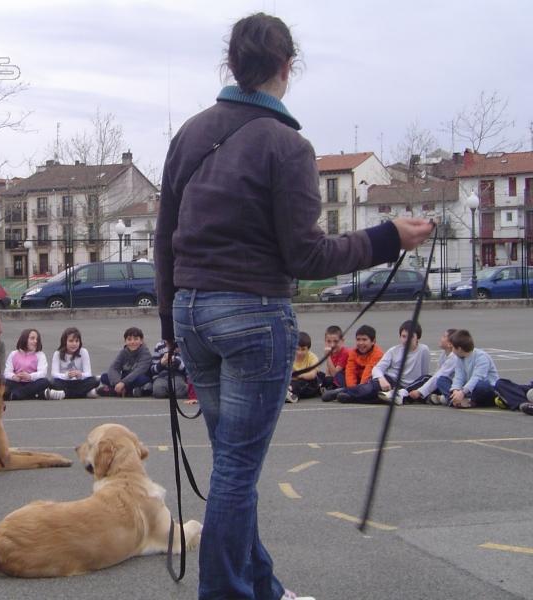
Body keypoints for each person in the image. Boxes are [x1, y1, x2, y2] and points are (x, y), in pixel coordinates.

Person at [154, 13, 433, 600]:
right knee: (236, 470)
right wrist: (388, 237)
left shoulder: (190, 134)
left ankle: (264, 589)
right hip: (252, 315)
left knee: (234, 466)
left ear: (230, 65)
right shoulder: (287, 145)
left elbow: (163, 240)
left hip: (190, 313)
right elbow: (306, 255)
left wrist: (171, 326)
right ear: (287, 66)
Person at [335, 321, 430, 405]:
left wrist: (418, 390)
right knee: (374, 387)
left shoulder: (423, 350)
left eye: (410, 337)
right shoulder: (394, 351)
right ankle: (344, 392)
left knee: (425, 379)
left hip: (407, 388)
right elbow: (377, 368)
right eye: (403, 336)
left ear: (418, 337)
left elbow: (423, 374)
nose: (406, 340)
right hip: (391, 382)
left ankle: (349, 396)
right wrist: (381, 379)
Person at [321, 325, 384, 402]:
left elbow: (368, 371)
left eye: (364, 340)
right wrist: (352, 388)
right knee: (339, 375)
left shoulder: (377, 353)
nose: (361, 343)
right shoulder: (353, 352)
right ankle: (346, 392)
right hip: (357, 382)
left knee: (374, 383)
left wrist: (358, 389)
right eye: (358, 339)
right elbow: (350, 371)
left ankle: (345, 393)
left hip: (369, 380)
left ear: (373, 341)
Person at [4, 329, 63, 400]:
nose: (35, 341)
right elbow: (7, 372)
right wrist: (14, 377)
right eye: (32, 338)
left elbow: (42, 373)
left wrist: (30, 376)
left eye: (37, 339)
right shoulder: (13, 354)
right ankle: (38, 395)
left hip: (32, 383)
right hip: (17, 382)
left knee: (45, 381)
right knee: (5, 382)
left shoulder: (40, 355)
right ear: (24, 339)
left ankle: (16, 395)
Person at [448, 329, 500, 408]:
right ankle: (458, 399)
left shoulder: (482, 357)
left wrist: (462, 392)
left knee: (481, 385)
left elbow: (477, 378)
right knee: (442, 380)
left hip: (486, 388)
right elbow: (459, 376)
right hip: (467, 388)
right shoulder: (460, 357)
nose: (452, 350)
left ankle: (462, 400)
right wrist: (456, 390)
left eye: (453, 348)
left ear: (459, 349)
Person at [97, 327, 152, 397]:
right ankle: (128, 392)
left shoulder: (145, 353)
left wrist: (123, 383)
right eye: (129, 339)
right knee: (104, 376)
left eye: (136, 339)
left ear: (141, 341)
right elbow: (113, 368)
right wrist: (117, 382)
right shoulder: (123, 352)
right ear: (125, 341)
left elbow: (139, 371)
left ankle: (113, 391)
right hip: (125, 378)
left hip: (138, 377)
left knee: (143, 379)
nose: (132, 342)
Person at [409, 328, 457, 405]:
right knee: (429, 381)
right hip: (446, 385)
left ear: (450, 344)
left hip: (453, 387)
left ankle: (402, 394)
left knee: (426, 379)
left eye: (444, 336)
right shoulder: (444, 354)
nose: (441, 339)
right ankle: (437, 398)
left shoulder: (454, 357)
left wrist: (419, 391)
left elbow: (438, 376)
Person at [49, 327, 99, 398]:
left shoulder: (83, 352)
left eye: (77, 341)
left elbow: (88, 373)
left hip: (79, 382)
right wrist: (66, 376)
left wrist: (80, 374)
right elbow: (54, 374)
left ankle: (65, 394)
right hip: (64, 382)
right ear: (64, 341)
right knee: (52, 382)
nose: (74, 344)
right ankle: (85, 393)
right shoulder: (57, 353)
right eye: (71, 341)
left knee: (95, 380)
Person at [287, 331, 319, 402]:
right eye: (297, 349)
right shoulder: (289, 357)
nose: (299, 352)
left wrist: (299, 375)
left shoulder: (312, 357)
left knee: (302, 382)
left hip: (309, 384)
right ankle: (287, 393)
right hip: (293, 382)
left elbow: (313, 374)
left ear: (308, 349)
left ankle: (292, 395)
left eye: (303, 349)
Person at [318, 325, 349, 390]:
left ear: (342, 340)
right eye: (329, 341)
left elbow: (335, 374)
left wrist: (327, 356)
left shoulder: (345, 352)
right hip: (336, 377)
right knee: (318, 375)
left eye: (336, 341)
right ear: (325, 341)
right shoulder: (332, 351)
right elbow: (328, 371)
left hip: (344, 379)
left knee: (329, 380)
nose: (332, 345)